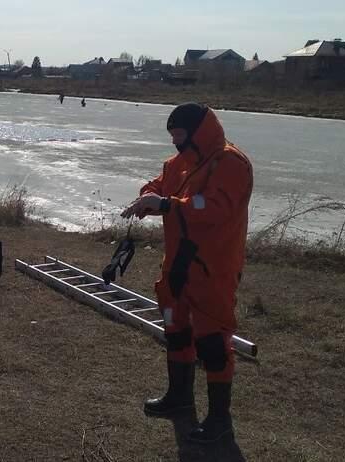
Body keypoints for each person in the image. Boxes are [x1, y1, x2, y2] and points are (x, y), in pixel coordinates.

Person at [121, 103, 253, 444]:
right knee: (176, 330)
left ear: (197, 132)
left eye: (179, 135)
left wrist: (166, 205)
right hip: (177, 265)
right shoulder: (177, 163)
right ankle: (179, 398)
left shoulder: (230, 163)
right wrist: (147, 198)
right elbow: (160, 187)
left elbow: (213, 208)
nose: (175, 142)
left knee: (211, 341)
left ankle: (219, 421)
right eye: (172, 136)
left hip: (214, 267)